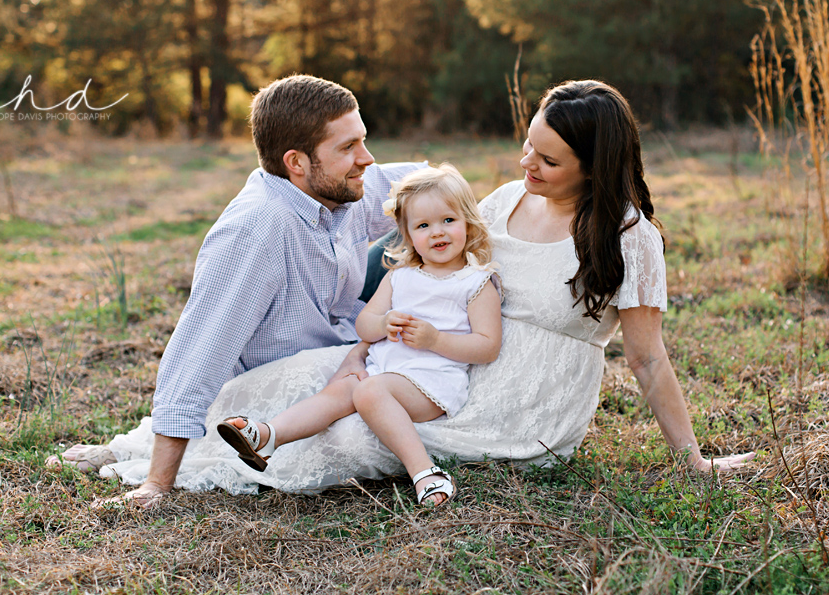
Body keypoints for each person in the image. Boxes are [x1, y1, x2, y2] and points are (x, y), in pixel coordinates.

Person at [98, 79, 752, 502]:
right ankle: (158, 456)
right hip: (437, 362)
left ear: (594, 166)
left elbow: (648, 358)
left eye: (547, 160)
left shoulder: (629, 238)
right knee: (309, 380)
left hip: (525, 404)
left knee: (347, 430)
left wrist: (692, 460)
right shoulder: (499, 203)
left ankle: (187, 463)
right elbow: (200, 344)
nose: (527, 167)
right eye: (527, 148)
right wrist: (383, 330)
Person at [48, 74, 424, 506]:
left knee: (434, 262)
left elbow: (428, 185)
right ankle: (146, 450)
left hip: (341, 342)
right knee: (381, 422)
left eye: (363, 140)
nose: (367, 158)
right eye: (348, 148)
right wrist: (157, 483)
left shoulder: (339, 187)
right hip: (280, 382)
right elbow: (199, 351)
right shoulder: (256, 230)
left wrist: (519, 176)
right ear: (296, 163)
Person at [216, 164, 502, 506]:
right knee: (338, 391)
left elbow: (487, 346)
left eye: (448, 221)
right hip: (385, 374)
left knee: (367, 389)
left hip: (431, 385)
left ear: (468, 222)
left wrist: (435, 340)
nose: (437, 232)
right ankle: (268, 435)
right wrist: (384, 324)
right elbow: (364, 324)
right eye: (423, 226)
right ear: (408, 236)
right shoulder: (401, 276)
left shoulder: (475, 282)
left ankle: (426, 472)